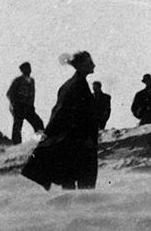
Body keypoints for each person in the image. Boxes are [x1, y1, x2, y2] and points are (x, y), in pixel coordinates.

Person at [21, 51, 99, 190]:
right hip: (80, 142)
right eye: (90, 62)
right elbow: (77, 115)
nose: (94, 65)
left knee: (69, 181)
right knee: (84, 184)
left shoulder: (70, 84)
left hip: (70, 142)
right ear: (81, 65)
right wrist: (86, 137)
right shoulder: (77, 85)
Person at [6, 62, 44, 144]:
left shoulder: (32, 81)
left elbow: (32, 95)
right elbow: (9, 93)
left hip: (29, 108)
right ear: (22, 70)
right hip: (19, 107)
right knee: (17, 127)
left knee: (38, 123)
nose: (29, 70)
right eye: (26, 68)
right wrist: (15, 104)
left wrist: (32, 105)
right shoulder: (18, 80)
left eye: (29, 68)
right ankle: (16, 145)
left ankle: (39, 142)